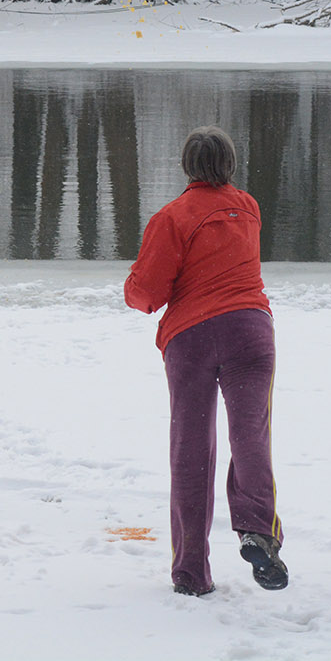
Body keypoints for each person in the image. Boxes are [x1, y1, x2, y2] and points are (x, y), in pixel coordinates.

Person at [124, 125, 287, 596]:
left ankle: (191, 573)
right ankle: (259, 530)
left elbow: (148, 293)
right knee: (251, 436)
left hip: (192, 338)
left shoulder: (172, 217)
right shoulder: (249, 208)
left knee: (191, 449)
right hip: (251, 333)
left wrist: (133, 287)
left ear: (187, 167)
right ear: (230, 165)